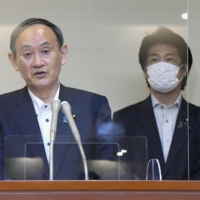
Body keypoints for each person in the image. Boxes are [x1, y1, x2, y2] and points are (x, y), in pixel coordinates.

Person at [0, 18, 118, 180]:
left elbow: (109, 171)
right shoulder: (2, 110)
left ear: (62, 54)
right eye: (28, 54)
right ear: (14, 61)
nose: (38, 62)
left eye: (46, 51)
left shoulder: (94, 106)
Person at [113, 27, 200, 180]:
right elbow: (121, 171)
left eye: (169, 59)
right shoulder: (125, 118)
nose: (161, 66)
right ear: (145, 71)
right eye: (154, 59)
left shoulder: (198, 117)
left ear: (184, 69)